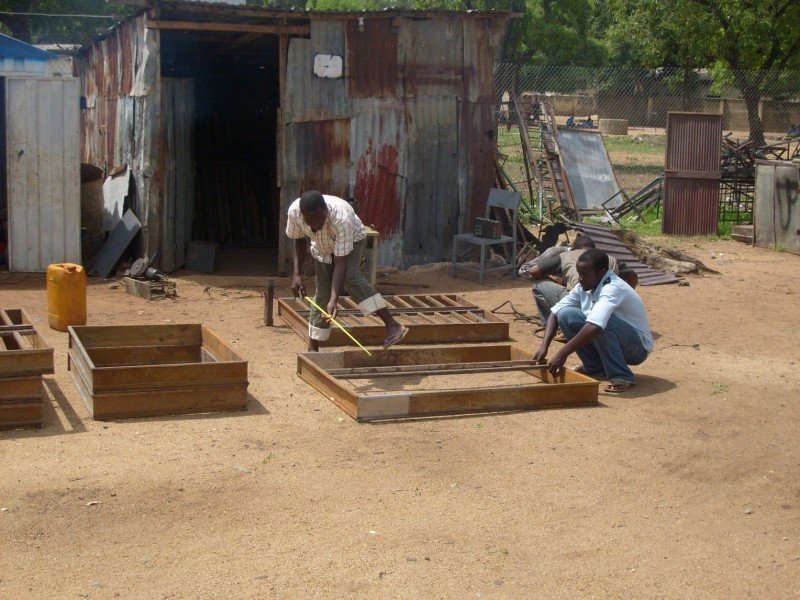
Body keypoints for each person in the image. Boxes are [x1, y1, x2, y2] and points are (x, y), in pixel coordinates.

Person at [287, 190, 408, 351]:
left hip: (352, 240)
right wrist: (296, 274)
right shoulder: (295, 212)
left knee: (350, 278)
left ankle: (393, 325)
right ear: (302, 216)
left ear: (325, 210)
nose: (315, 225)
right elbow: (299, 240)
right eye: (310, 222)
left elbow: (341, 263)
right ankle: (313, 347)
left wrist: (334, 299)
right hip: (322, 247)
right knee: (322, 293)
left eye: (318, 220)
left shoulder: (341, 217)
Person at [532, 248, 653, 393]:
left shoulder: (612, 288)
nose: (580, 278)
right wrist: (544, 347)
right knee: (565, 314)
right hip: (617, 338)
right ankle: (595, 368)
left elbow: (596, 326)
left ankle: (622, 376)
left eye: (584, 274)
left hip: (636, 348)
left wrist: (562, 353)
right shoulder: (584, 286)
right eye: (579, 273)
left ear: (601, 272)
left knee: (600, 323)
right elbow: (555, 312)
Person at [519, 235, 619, 325]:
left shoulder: (566, 255)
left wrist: (554, 278)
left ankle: (553, 324)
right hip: (609, 306)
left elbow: (531, 272)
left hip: (584, 303)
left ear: (573, 249)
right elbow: (631, 275)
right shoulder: (609, 258)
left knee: (538, 285)